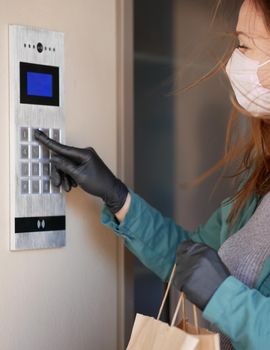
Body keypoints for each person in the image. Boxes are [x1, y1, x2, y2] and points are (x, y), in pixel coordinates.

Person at [35, 0, 270, 349]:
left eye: (243, 45)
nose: (231, 62)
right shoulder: (260, 178)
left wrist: (222, 294)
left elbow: (217, 287)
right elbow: (187, 257)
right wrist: (116, 197)